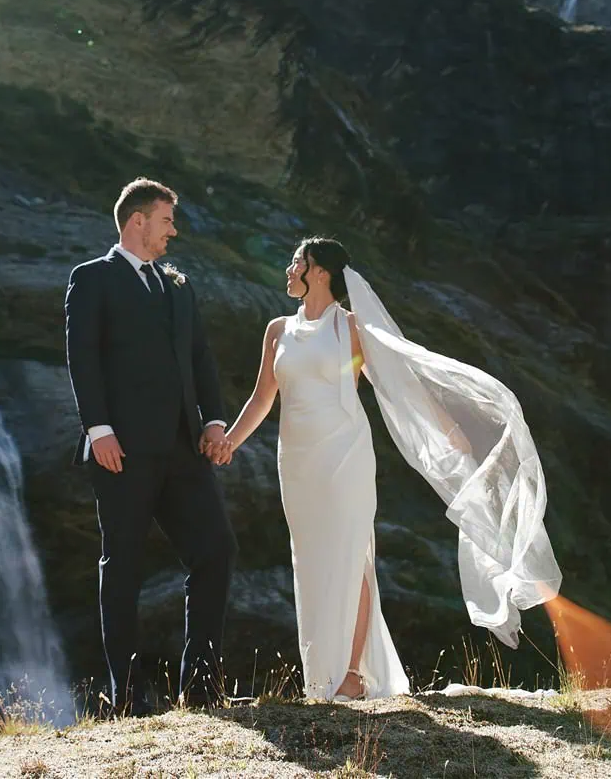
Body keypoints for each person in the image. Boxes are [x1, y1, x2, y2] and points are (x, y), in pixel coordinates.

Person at [218, 237, 562, 701]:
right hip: (296, 460)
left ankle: (353, 674)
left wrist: (448, 431)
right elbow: (263, 396)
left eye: (296, 261)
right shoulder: (277, 330)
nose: (288, 268)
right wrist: (230, 442)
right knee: (313, 560)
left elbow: (399, 385)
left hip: (346, 455)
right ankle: (322, 674)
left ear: (318, 271)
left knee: (353, 555)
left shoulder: (353, 330)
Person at [64, 178, 235, 714]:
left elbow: (201, 358)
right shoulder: (91, 279)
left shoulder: (178, 285)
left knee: (216, 550)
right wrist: (99, 430)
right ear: (137, 220)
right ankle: (127, 696)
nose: (173, 231)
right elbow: (82, 355)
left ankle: (202, 686)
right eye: (166, 220)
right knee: (123, 566)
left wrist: (214, 421)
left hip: (185, 450)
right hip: (122, 452)